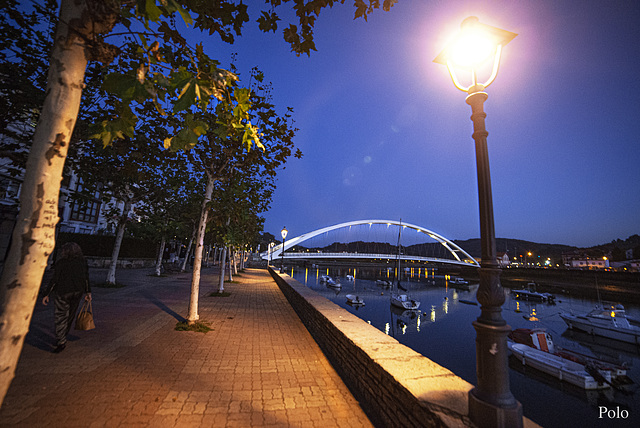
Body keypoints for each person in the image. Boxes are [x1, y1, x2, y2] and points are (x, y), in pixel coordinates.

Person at [42, 242, 91, 353]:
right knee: (70, 315)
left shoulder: (61, 263)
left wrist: (46, 293)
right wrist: (88, 292)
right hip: (77, 292)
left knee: (60, 316)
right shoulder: (82, 262)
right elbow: (86, 278)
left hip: (63, 292)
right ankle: (63, 335)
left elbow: (55, 279)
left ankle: (61, 340)